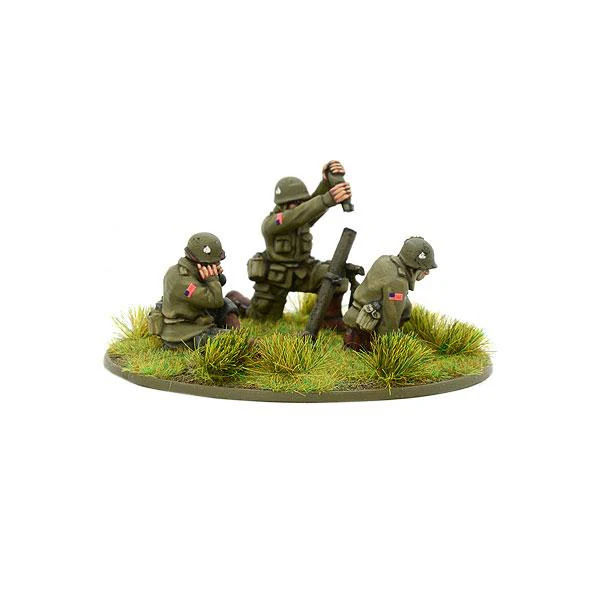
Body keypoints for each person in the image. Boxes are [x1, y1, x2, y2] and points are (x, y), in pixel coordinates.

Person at [246, 160, 352, 330]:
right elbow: (298, 214)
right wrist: (327, 199)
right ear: (283, 204)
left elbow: (308, 208)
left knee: (335, 276)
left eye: (301, 201)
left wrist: (326, 182)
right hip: (276, 278)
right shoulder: (272, 223)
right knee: (262, 319)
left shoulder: (303, 216)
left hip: (304, 271)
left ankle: (330, 319)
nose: (299, 205)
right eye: (294, 202)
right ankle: (237, 302)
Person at [343, 236, 437, 351]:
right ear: (414, 266)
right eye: (425, 268)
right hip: (363, 330)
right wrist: (389, 347)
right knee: (401, 306)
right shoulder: (398, 282)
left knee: (406, 304)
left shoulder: (384, 260)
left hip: (354, 317)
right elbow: (390, 319)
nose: (427, 272)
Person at [149, 232, 241, 349]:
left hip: (193, 322)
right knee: (239, 342)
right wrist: (212, 279)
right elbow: (215, 301)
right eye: (215, 262)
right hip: (186, 335)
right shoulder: (184, 282)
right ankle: (237, 338)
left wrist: (216, 276)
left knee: (227, 303)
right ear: (202, 262)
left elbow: (219, 287)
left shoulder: (190, 271)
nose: (218, 263)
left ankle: (237, 333)